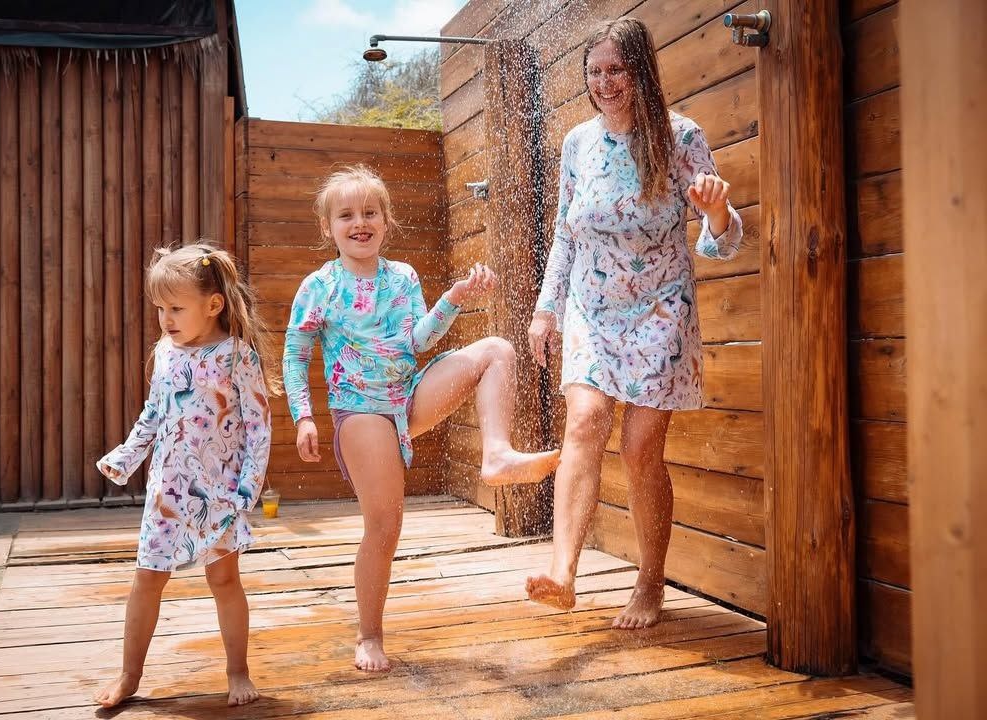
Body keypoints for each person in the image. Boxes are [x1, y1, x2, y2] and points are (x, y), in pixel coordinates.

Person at [283, 165, 560, 671]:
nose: (360, 223)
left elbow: (417, 343)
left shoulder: (403, 277)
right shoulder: (319, 286)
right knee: (385, 526)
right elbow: (295, 355)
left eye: (371, 213)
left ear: (386, 221)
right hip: (360, 409)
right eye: (347, 215)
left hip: (407, 397)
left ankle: (497, 454)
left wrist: (453, 300)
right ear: (328, 227)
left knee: (497, 349)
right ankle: (369, 635)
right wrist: (304, 416)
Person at [525, 18, 743, 630]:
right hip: (592, 308)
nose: (604, 82)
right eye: (594, 72)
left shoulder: (681, 137)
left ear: (641, 70)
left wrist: (717, 213)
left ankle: (650, 581)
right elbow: (566, 235)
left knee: (641, 449)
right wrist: (546, 308)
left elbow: (723, 242)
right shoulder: (578, 143)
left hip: (661, 310)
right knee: (584, 421)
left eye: (616, 69)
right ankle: (563, 571)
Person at [94, 243, 277, 707]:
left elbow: (259, 425)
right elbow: (155, 413)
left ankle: (238, 672)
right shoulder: (166, 352)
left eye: (176, 308)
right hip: (167, 493)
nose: (165, 319)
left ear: (213, 305)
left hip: (219, 494)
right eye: (160, 309)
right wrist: (127, 456)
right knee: (147, 578)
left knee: (224, 580)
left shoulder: (236, 355)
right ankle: (129, 675)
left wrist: (248, 487)